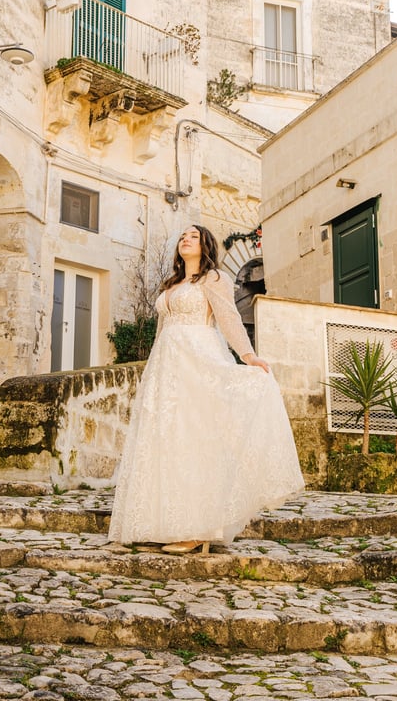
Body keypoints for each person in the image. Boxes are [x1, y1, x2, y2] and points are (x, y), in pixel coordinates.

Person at [108, 225, 305, 553]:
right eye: (182, 236)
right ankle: (160, 523)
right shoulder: (171, 284)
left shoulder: (214, 278)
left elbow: (228, 317)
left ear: (206, 245)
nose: (185, 240)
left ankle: (198, 529)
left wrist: (248, 355)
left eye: (193, 236)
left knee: (195, 439)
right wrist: (153, 369)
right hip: (167, 365)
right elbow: (162, 330)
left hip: (198, 358)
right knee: (166, 440)